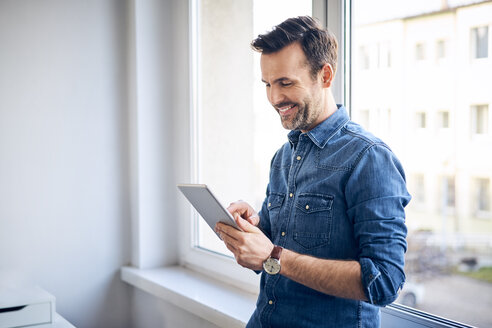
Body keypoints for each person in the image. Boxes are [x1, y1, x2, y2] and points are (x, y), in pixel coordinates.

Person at [215, 16, 411, 328]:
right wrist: (253, 230)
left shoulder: (369, 158)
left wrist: (274, 255)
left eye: (285, 83)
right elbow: (271, 258)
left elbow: (384, 283)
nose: (274, 98)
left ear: (325, 75)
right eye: (267, 84)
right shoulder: (283, 156)